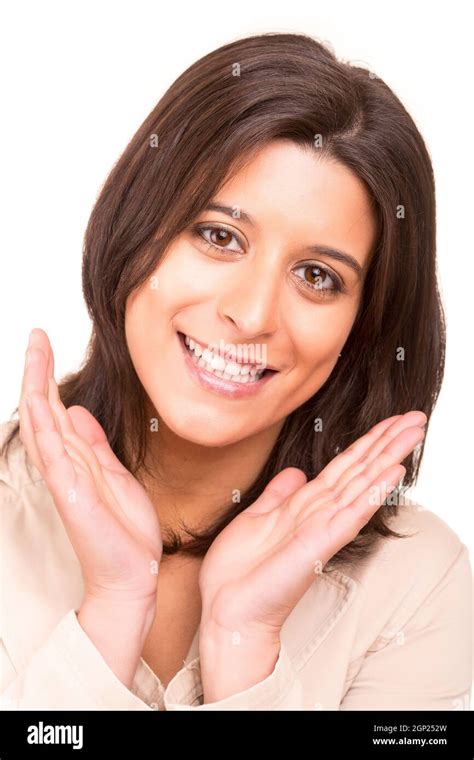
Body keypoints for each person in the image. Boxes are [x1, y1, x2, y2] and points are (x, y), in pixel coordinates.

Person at [0, 32, 471, 711]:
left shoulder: (417, 585)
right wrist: (108, 616)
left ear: (362, 326)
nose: (252, 314)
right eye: (219, 236)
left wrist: (244, 650)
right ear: (136, 227)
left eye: (317, 276)